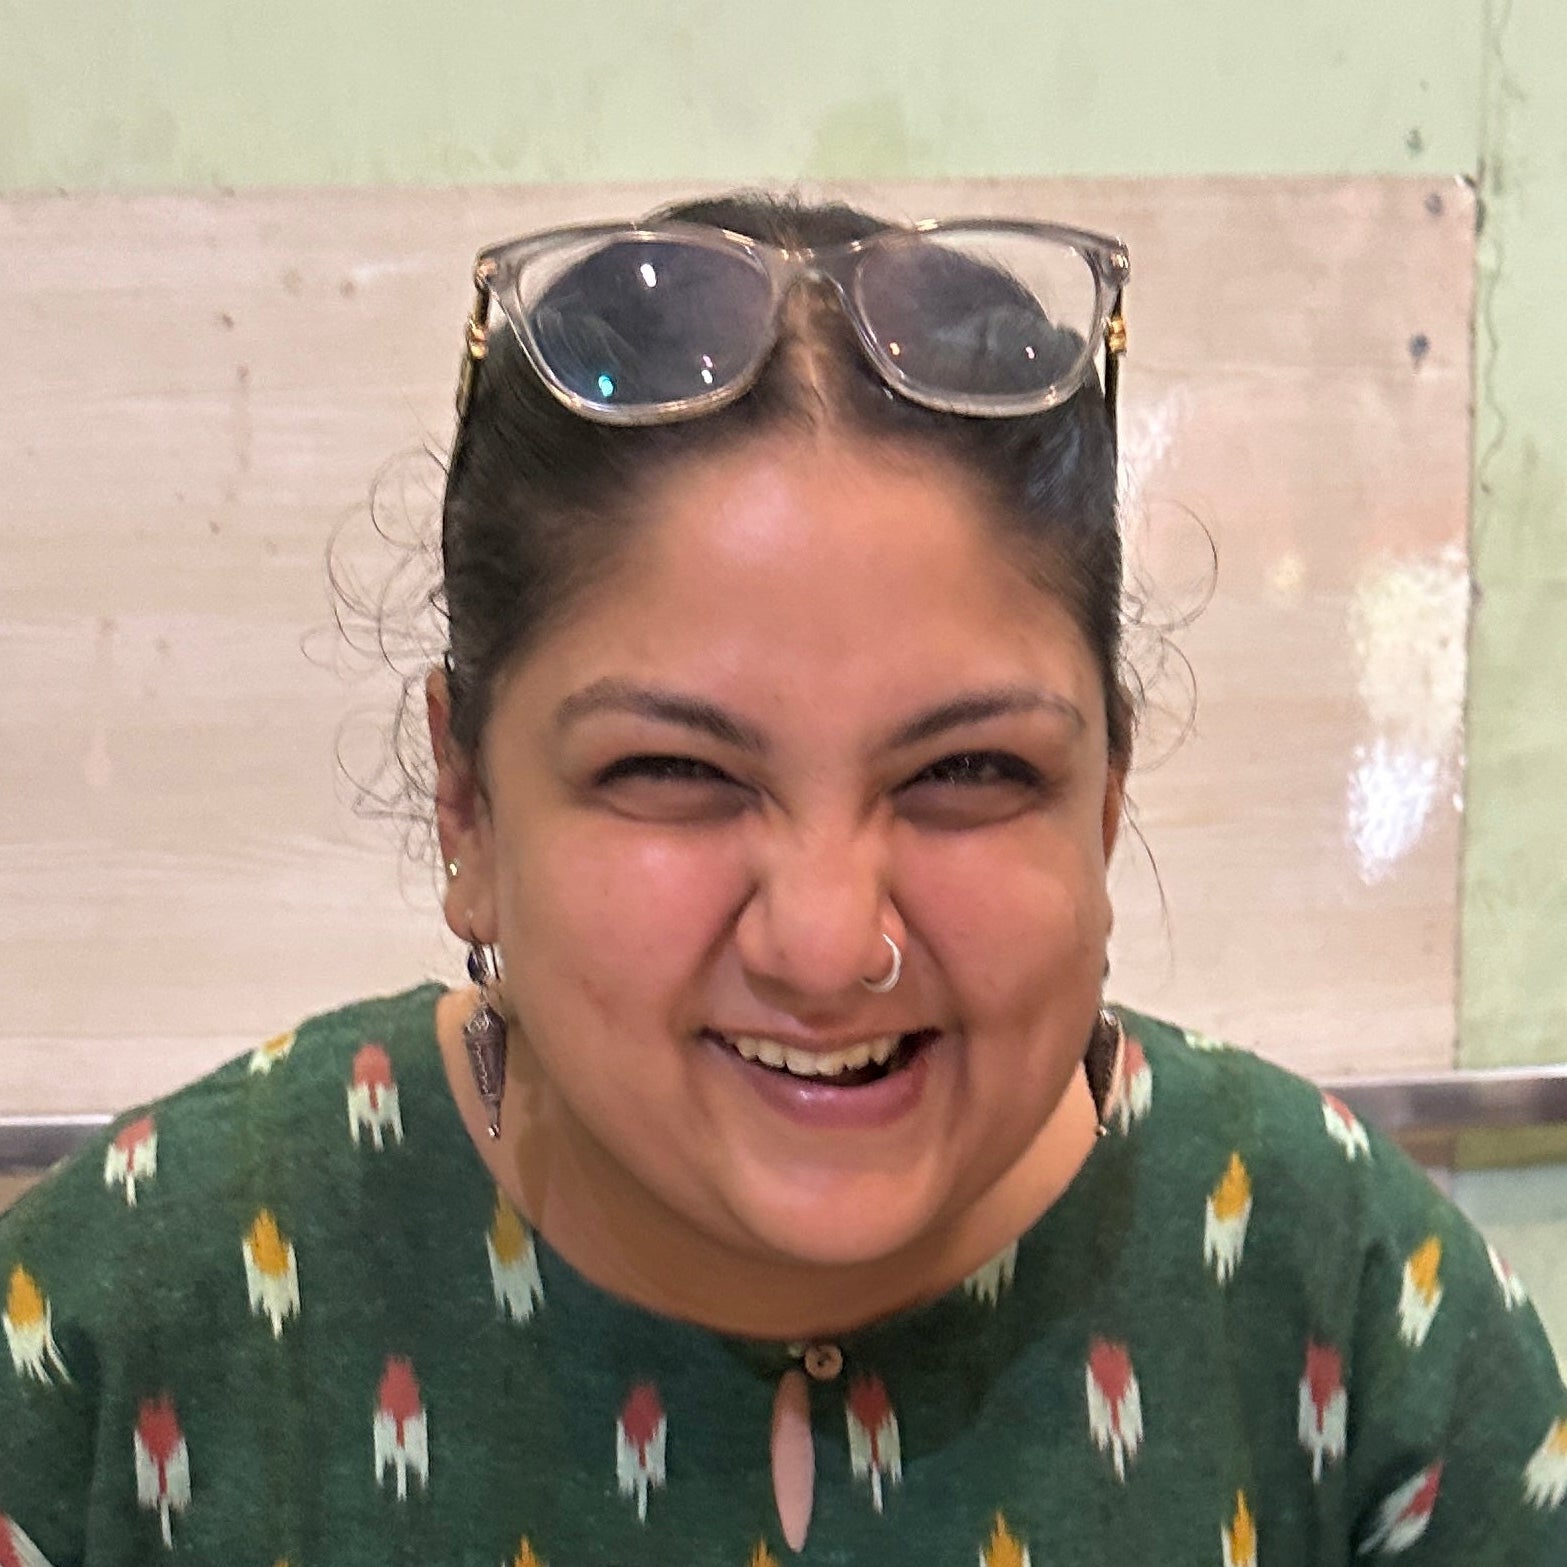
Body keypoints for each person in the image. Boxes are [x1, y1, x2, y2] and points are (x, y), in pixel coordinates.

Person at [1, 192, 1563, 1567]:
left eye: (968, 775)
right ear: (466, 804)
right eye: (675, 776)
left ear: (1106, 806)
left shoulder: (1363, 1324)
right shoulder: (108, 1341)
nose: (829, 943)